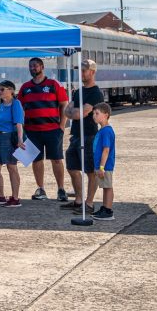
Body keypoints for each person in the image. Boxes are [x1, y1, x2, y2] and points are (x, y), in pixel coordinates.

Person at [19, 58, 68, 202]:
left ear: (42, 67)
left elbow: (64, 104)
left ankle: (61, 189)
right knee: (36, 160)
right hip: (32, 130)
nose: (33, 68)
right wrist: (22, 128)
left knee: (57, 160)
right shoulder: (25, 87)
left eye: (35, 66)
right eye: (30, 66)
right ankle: (40, 189)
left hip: (53, 130)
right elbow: (19, 107)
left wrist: (62, 126)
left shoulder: (53, 84)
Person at [61, 59, 103, 215]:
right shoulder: (78, 92)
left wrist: (74, 112)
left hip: (89, 136)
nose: (81, 73)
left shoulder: (96, 93)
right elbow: (67, 111)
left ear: (92, 72)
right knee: (72, 167)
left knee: (91, 171)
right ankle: (79, 201)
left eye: (84, 70)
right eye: (80, 70)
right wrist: (74, 112)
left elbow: (78, 113)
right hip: (76, 135)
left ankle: (89, 203)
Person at [0, 80, 24, 207]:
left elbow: (19, 123)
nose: (0, 91)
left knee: (11, 167)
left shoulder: (16, 104)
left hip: (7, 138)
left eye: (3, 89)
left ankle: (15, 198)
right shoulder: (2, 105)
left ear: (11, 91)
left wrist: (20, 140)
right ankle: (0, 196)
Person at [91, 102, 116, 220]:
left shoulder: (106, 131)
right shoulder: (102, 130)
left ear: (106, 115)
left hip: (105, 166)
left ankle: (108, 210)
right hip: (101, 165)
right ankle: (105, 207)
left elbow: (106, 150)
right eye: (93, 114)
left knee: (108, 187)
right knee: (105, 187)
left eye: (97, 113)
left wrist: (101, 167)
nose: (94, 116)